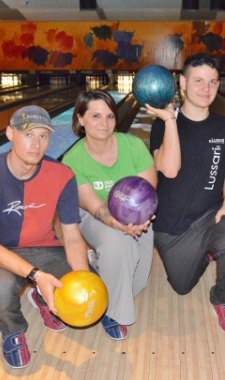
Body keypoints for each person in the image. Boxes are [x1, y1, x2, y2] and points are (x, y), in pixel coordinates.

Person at [0, 105, 90, 369]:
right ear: (10, 133)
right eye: (28, 134)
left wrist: (82, 279)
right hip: (4, 254)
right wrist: (37, 276)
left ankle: (41, 297)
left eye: (43, 136)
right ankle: (12, 330)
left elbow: (72, 236)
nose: (36, 144)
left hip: (46, 250)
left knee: (89, 277)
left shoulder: (62, 174)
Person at [147, 53, 225, 335]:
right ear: (182, 83)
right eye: (198, 81)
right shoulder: (162, 124)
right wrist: (170, 121)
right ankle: (205, 254)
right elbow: (169, 169)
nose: (206, 89)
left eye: (213, 82)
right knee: (181, 286)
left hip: (210, 215)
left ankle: (224, 299)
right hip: (171, 226)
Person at [62, 89, 156, 341]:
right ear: (81, 119)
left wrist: (139, 221)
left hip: (138, 217)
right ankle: (112, 312)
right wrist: (119, 225)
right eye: (95, 116)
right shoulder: (73, 159)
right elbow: (95, 206)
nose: (104, 123)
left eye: (109, 116)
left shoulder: (133, 146)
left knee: (137, 283)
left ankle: (100, 267)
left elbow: (148, 191)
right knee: (120, 243)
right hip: (94, 216)